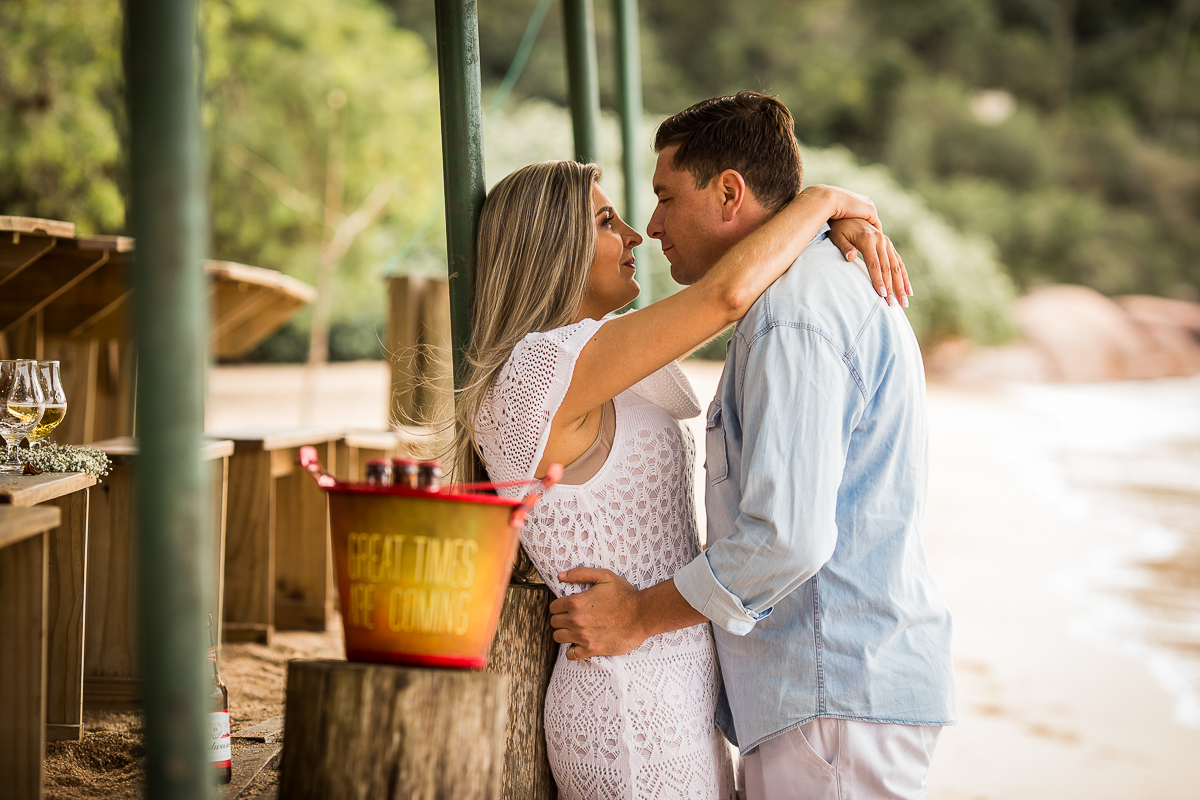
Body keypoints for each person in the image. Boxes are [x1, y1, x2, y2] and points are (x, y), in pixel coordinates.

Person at [454, 146, 908, 796]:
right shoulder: (536, 372)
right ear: (553, 249)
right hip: (626, 704)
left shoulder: (591, 361)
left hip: (676, 690)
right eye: (607, 222)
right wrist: (822, 202)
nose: (636, 232)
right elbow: (725, 296)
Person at [548, 91, 956, 800]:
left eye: (666, 197)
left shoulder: (791, 316)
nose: (651, 225)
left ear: (729, 192)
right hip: (834, 692)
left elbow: (786, 539)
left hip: (832, 695)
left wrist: (639, 615)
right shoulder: (812, 290)